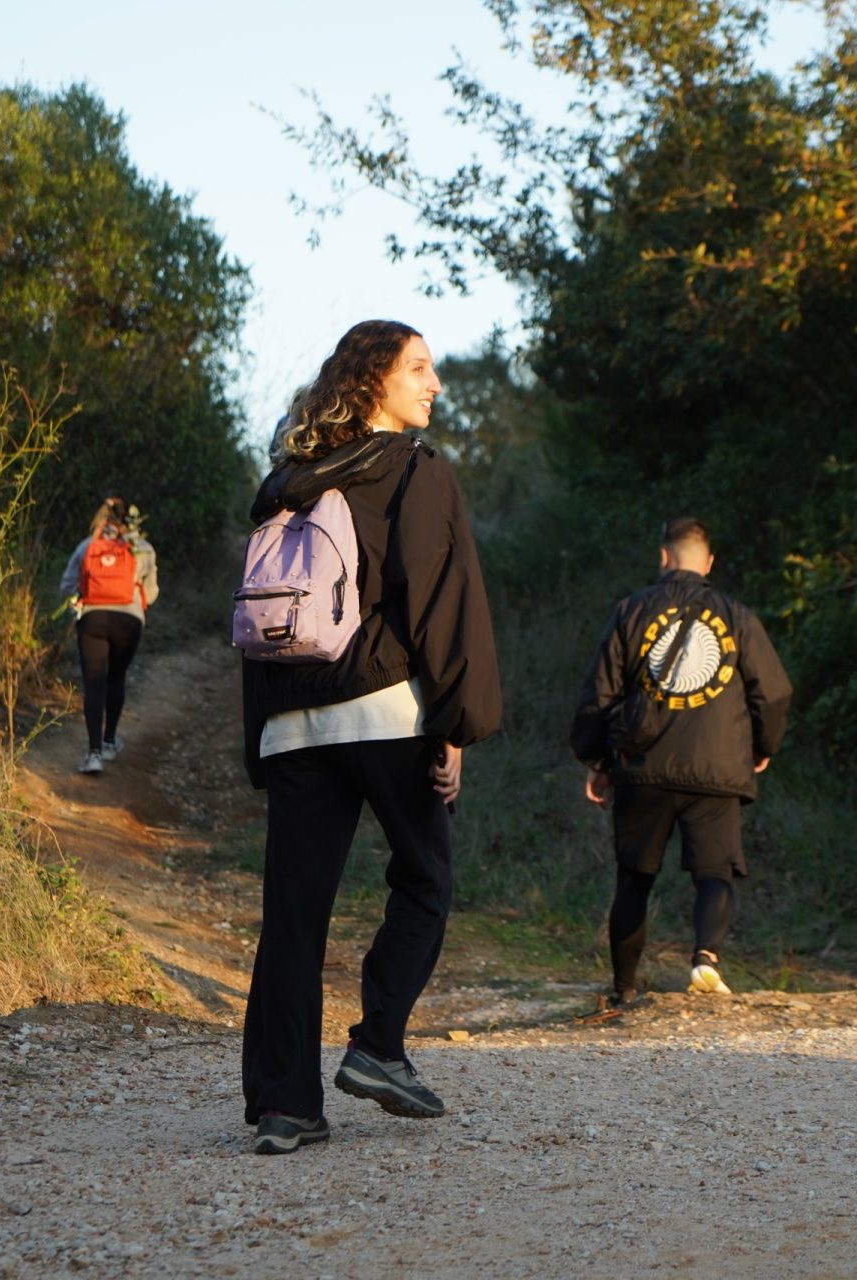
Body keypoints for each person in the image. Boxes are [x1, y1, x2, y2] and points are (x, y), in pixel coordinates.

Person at [240, 320, 501, 1155]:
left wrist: (262, 735)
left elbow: (260, 614)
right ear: (373, 381)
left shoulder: (286, 480)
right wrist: (456, 724)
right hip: (385, 711)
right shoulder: (415, 472)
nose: (434, 384)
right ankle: (379, 1046)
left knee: (293, 917)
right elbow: (444, 602)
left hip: (292, 724)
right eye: (419, 368)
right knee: (425, 879)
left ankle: (285, 1107)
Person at [570, 516, 792, 1005]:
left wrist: (596, 759)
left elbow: (600, 691)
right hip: (716, 770)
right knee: (715, 872)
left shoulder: (631, 611)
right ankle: (706, 958)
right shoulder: (737, 616)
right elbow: (773, 692)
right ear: (708, 563)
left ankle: (624, 988)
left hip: (641, 766)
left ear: (664, 556)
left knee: (634, 878)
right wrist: (762, 745)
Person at [56, 495, 159, 774]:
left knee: (94, 685)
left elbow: (66, 586)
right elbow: (151, 593)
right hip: (129, 621)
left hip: (93, 619)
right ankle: (111, 741)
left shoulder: (88, 545)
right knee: (116, 678)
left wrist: (83, 597)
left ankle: (93, 754)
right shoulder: (142, 549)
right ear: (131, 519)